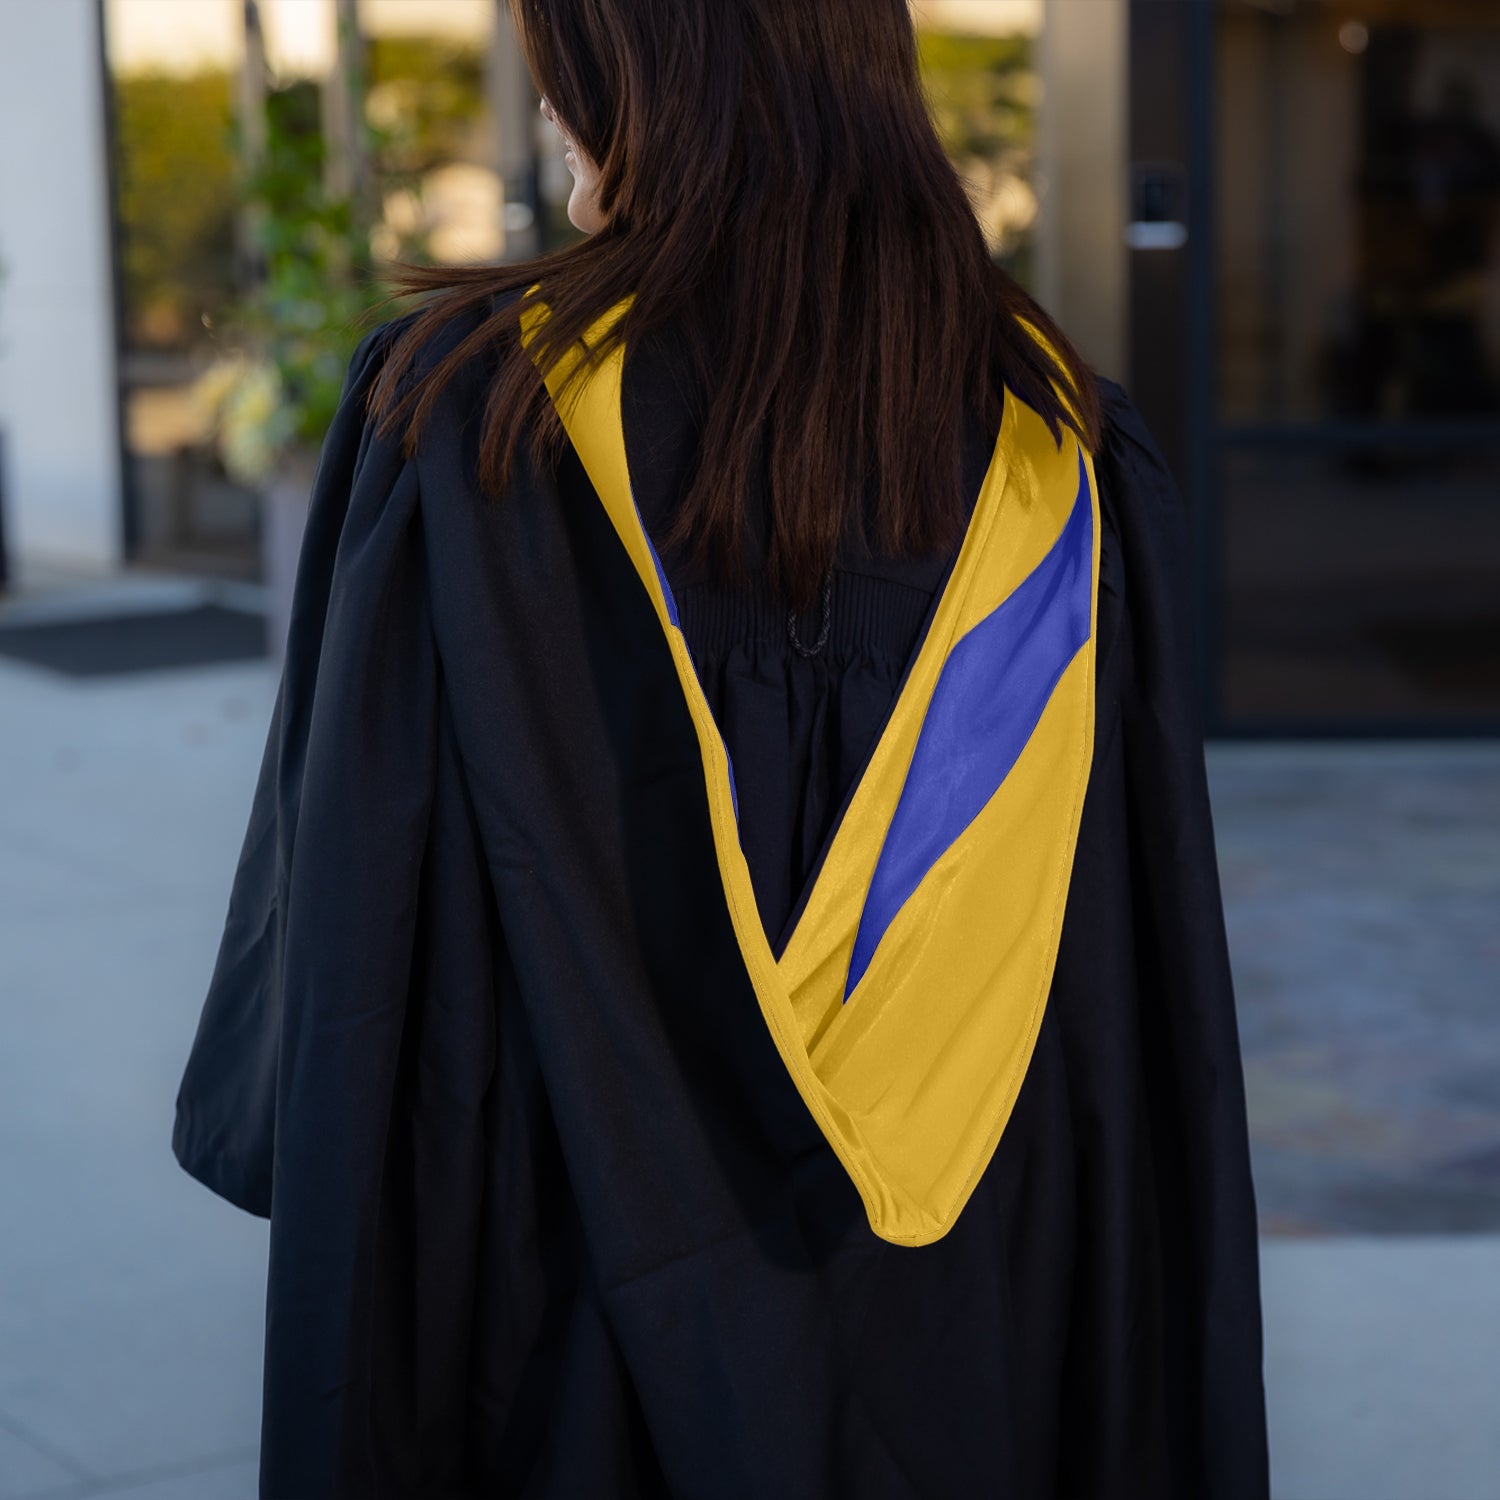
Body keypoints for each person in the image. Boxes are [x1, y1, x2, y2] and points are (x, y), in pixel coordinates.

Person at [171, 1, 1269, 1495]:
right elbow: (1135, 1007)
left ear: (654, 72)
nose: (547, 103)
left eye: (566, 58)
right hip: (983, 1311)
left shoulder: (470, 424)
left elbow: (358, 949)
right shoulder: (1061, 451)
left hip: (561, 1318)